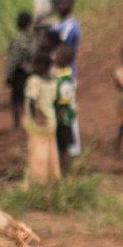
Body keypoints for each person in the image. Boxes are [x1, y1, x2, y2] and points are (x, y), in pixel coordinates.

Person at [22, 51, 61, 184]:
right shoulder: (53, 82)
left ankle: (38, 181)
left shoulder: (34, 81)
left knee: (38, 152)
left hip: (38, 123)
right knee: (51, 150)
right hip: (51, 121)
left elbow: (32, 100)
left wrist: (36, 116)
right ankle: (52, 179)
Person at [52, 44, 79, 174]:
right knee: (61, 147)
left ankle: (65, 173)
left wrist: (57, 117)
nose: (54, 56)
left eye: (57, 55)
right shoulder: (62, 74)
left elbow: (63, 103)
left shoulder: (65, 79)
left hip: (62, 119)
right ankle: (63, 172)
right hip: (62, 117)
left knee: (63, 148)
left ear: (63, 60)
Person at [5, 11, 35, 129]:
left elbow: (13, 59)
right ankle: (31, 121)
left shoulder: (17, 39)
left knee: (16, 99)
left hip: (19, 71)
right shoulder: (32, 37)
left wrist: (8, 74)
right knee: (30, 97)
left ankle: (16, 124)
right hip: (30, 70)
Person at [51, 0, 81, 75]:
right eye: (58, 3)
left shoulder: (71, 25)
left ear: (69, 6)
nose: (58, 6)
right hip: (56, 69)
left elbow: (62, 42)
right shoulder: (55, 24)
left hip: (66, 70)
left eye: (62, 3)